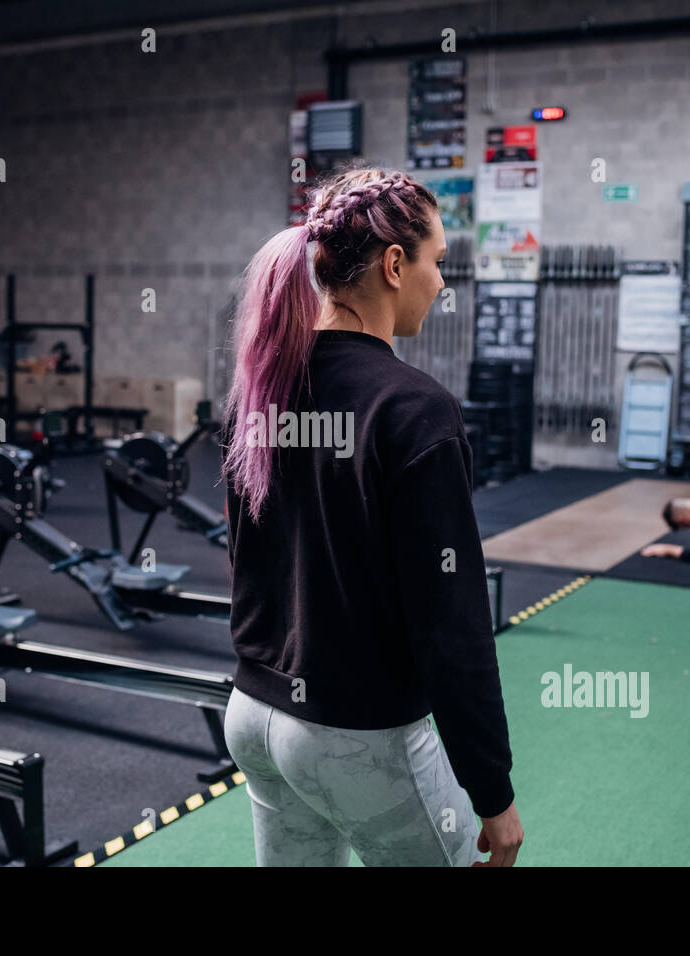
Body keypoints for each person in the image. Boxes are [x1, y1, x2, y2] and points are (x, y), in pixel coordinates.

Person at [219, 164, 523, 867]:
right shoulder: (415, 408)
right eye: (438, 262)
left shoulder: (260, 392)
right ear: (394, 264)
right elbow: (451, 620)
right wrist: (494, 794)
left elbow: (248, 563)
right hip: (354, 735)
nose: (442, 283)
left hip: (255, 717)